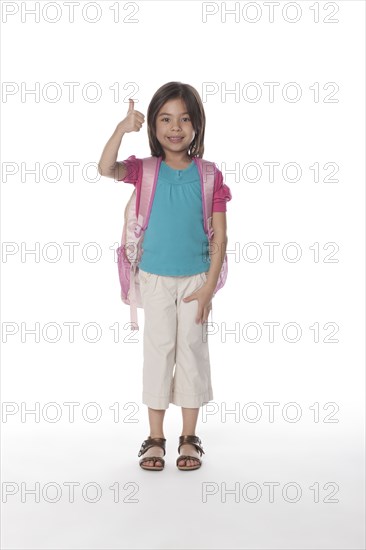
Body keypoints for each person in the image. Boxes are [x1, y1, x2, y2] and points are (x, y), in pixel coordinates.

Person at [98, 82, 232, 471]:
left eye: (185, 119)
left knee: (191, 353)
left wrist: (209, 287)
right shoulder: (145, 170)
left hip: (195, 282)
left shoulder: (208, 175)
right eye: (166, 119)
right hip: (154, 279)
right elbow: (106, 168)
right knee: (159, 353)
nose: (176, 127)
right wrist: (122, 129)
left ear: (197, 126)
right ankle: (155, 438)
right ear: (154, 126)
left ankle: (189, 438)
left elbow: (220, 235)